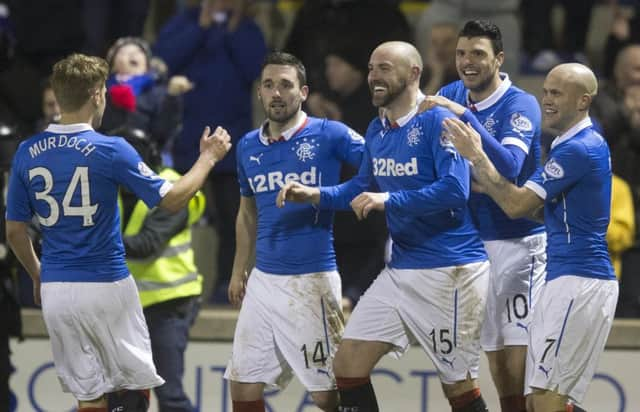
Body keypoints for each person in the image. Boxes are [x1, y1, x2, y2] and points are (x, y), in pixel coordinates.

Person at [4, 53, 231, 412]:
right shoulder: (109, 149)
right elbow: (172, 200)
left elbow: (16, 231)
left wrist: (37, 273)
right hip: (106, 284)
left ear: (58, 96)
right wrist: (208, 158)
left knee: (89, 393)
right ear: (97, 94)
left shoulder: (27, 152)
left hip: (57, 289)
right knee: (133, 387)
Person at [278, 41, 491, 412]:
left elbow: (456, 189)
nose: (374, 76)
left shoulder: (438, 120)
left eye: (385, 68)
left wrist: (388, 200)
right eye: (372, 67)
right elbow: (362, 189)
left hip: (451, 270)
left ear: (413, 74)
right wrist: (314, 194)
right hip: (403, 269)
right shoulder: (377, 130)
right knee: (347, 365)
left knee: (458, 388)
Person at [443, 63, 618, 412]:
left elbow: (515, 205)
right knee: (537, 402)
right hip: (566, 278)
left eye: (557, 93)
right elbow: (539, 210)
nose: (547, 100)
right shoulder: (567, 145)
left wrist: (476, 154)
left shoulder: (577, 150)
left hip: (581, 281)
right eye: (546, 91)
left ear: (583, 101)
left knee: (545, 401)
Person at [223, 51, 365, 412]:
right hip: (263, 281)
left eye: (285, 85)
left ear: (303, 92)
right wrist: (240, 269)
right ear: (259, 93)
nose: (276, 93)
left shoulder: (329, 133)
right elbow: (247, 210)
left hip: (312, 279)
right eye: (268, 85)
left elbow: (378, 167)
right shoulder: (247, 146)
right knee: (242, 386)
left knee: (325, 393)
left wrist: (329, 196)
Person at [421, 20, 546, 412]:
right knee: (494, 350)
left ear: (499, 59)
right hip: (473, 243)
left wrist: (464, 116)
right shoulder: (450, 92)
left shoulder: (519, 104)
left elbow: (509, 166)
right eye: (461, 54)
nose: (467, 62)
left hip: (518, 241)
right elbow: (438, 162)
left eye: (478, 54)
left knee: (517, 348)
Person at [153, 0, 267, 304]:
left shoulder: (246, 28)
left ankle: (226, 286)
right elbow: (163, 60)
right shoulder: (184, 22)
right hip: (187, 138)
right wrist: (200, 27)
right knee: (176, 212)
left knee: (234, 217)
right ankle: (172, 284)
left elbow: (255, 68)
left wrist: (232, 31)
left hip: (233, 139)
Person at [119, 127, 205, 412]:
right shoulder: (113, 190)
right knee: (126, 397)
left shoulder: (174, 188)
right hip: (129, 306)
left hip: (170, 303)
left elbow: (147, 243)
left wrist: (91, 241)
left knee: (170, 396)